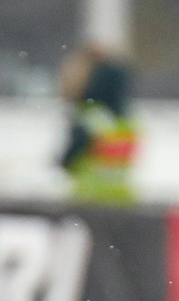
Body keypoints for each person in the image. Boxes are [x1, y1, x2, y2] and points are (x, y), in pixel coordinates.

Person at [58, 45, 137, 205]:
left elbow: (69, 160)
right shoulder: (128, 121)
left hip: (87, 199)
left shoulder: (90, 117)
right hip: (123, 199)